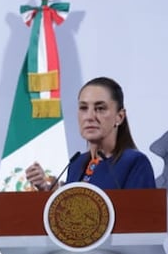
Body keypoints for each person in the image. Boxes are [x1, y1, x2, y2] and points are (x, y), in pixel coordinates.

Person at [25, 77, 157, 192]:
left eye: (100, 108)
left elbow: (142, 216)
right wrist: (46, 189)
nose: (89, 117)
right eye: (83, 108)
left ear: (119, 117)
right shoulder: (76, 164)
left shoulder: (134, 162)